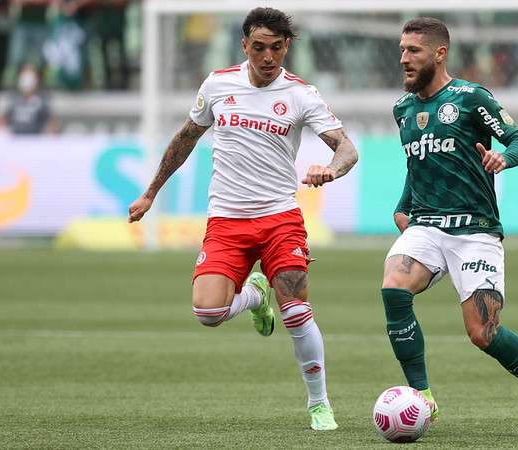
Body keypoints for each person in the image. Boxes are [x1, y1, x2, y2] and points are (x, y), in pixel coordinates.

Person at [127, 8, 358, 430]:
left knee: (296, 312)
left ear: (287, 46)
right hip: (226, 222)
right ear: (244, 45)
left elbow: (346, 148)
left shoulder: (302, 94)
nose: (268, 57)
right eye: (259, 47)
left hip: (279, 219)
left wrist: (331, 168)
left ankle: (319, 404)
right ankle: (254, 296)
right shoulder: (217, 85)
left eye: (276, 47)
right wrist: (150, 193)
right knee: (208, 314)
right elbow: (185, 139)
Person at [382, 17, 518, 435]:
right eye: (401, 49)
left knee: (482, 333)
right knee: (393, 287)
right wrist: (403, 207)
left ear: (440, 53)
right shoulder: (403, 109)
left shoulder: (472, 98)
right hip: (427, 225)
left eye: (413, 51)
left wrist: (500, 159)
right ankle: (423, 396)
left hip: (475, 230)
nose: (404, 58)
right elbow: (416, 166)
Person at [0, 63, 58, 134]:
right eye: (24, 75)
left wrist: (50, 129)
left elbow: (51, 122)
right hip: (15, 138)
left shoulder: (43, 100)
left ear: (37, 79)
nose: (27, 79)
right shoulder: (13, 99)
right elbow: (3, 119)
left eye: (31, 76)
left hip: (35, 138)